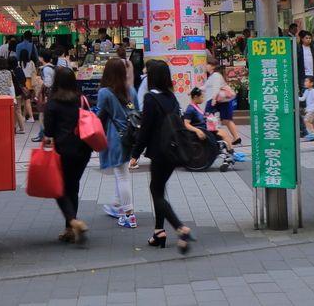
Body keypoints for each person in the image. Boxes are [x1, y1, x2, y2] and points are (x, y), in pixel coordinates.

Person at [131, 59, 195, 253]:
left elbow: (146, 130)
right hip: (174, 151)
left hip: (159, 152)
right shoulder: (171, 97)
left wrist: (135, 154)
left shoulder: (151, 98)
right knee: (159, 187)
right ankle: (159, 232)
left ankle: (180, 228)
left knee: (156, 191)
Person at [42, 66, 92, 243]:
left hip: (63, 151)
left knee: (59, 188)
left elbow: (48, 132)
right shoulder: (81, 99)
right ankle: (70, 229)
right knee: (73, 187)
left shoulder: (53, 103)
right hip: (84, 149)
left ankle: (72, 221)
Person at [96, 58, 138, 229]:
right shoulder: (131, 91)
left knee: (122, 175)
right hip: (131, 137)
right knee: (122, 173)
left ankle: (129, 215)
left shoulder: (105, 92)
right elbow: (137, 112)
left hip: (115, 137)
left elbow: (99, 116)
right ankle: (118, 205)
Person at [183, 87, 234, 170]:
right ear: (196, 97)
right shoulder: (190, 109)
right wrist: (197, 131)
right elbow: (186, 124)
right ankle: (230, 155)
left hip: (206, 129)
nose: (203, 99)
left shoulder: (196, 107)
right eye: (202, 97)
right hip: (202, 132)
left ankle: (230, 154)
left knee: (224, 133)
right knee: (223, 134)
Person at [202, 56, 240, 144]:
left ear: (213, 66)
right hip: (223, 101)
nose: (206, 66)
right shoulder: (212, 76)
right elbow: (205, 87)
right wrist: (195, 90)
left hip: (219, 100)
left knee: (209, 117)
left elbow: (216, 88)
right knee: (226, 120)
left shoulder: (215, 76)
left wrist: (214, 99)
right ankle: (236, 138)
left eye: (208, 64)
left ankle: (214, 138)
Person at [300, 76, 314, 141]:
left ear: (311, 83)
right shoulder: (306, 91)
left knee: (306, 120)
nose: (305, 83)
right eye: (305, 81)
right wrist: (295, 97)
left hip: (313, 110)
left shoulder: (313, 91)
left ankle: (312, 134)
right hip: (310, 109)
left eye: (307, 81)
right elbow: (303, 98)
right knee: (313, 123)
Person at [18, 49, 37, 121]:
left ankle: (30, 117)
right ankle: (24, 116)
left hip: (22, 83)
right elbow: (34, 72)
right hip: (29, 83)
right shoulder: (31, 62)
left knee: (26, 101)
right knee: (27, 101)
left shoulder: (19, 63)